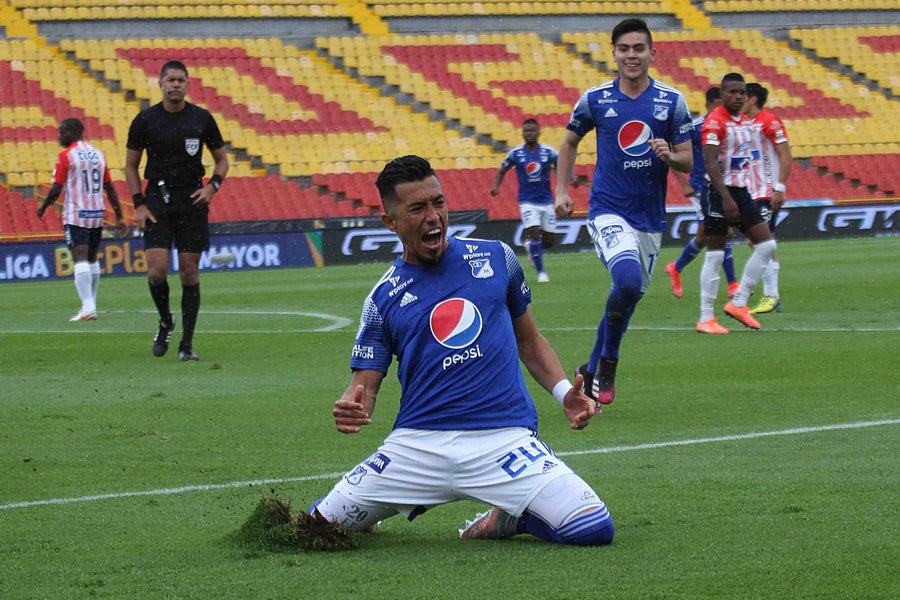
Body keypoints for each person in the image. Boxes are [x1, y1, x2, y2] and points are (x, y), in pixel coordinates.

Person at [309, 155, 614, 547]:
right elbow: (363, 388)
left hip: (503, 439)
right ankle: (367, 510)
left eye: (438, 202)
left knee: (592, 527)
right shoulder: (382, 298)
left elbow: (530, 341)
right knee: (316, 528)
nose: (433, 216)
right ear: (391, 222)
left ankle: (509, 518)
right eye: (417, 208)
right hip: (417, 447)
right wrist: (354, 407)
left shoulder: (497, 258)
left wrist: (564, 394)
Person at [554, 17, 693, 403]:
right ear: (614, 54)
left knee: (628, 295)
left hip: (649, 218)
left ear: (652, 53)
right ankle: (610, 361)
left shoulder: (672, 101)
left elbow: (687, 159)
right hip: (607, 210)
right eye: (624, 49)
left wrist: (670, 155)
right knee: (628, 281)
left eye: (639, 49)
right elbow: (569, 142)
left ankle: (591, 368)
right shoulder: (595, 99)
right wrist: (561, 190)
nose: (632, 55)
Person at [125, 59, 229, 362]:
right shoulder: (145, 120)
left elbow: (222, 160)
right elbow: (130, 165)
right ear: (160, 84)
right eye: (170, 80)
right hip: (157, 200)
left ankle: (186, 344)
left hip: (192, 200)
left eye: (180, 80)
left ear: (187, 84)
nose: (175, 85)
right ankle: (165, 321)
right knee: (156, 271)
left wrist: (212, 187)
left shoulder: (202, 119)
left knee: (189, 271)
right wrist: (138, 203)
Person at [699, 73, 777, 333]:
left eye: (742, 92)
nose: (738, 97)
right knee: (715, 253)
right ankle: (705, 317)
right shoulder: (714, 122)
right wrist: (725, 197)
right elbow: (710, 163)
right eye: (732, 92)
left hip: (741, 193)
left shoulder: (744, 122)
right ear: (722, 95)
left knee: (766, 245)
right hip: (719, 193)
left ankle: (739, 302)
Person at [37, 118, 128, 321]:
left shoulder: (66, 155)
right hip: (96, 213)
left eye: (62, 132)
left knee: (80, 258)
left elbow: (57, 187)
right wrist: (120, 215)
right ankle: (90, 304)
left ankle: (88, 306)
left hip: (76, 214)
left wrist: (43, 206)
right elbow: (109, 187)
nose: (59, 137)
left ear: (72, 132)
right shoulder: (98, 154)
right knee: (92, 258)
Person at [664, 86, 740, 311]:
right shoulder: (696, 127)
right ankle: (733, 284)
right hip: (700, 188)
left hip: (722, 186)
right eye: (717, 106)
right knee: (723, 232)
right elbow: (672, 151)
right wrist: (683, 183)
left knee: (703, 236)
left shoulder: (728, 126)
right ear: (708, 105)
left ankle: (676, 268)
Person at [491, 118, 587, 283]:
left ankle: (531, 247)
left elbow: (562, 166)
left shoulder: (548, 152)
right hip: (527, 202)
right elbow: (502, 171)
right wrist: (496, 187)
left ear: (538, 133)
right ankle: (542, 273)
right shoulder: (516, 153)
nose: (529, 134)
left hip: (546, 201)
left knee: (549, 241)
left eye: (532, 131)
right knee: (535, 233)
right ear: (522, 134)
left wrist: (572, 178)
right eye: (526, 131)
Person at [745, 82, 792, 315]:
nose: (738, 100)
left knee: (762, 241)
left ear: (753, 99)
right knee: (757, 241)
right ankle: (773, 296)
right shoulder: (744, 124)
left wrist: (779, 188)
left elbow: (785, 155)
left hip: (767, 191)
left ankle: (771, 296)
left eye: (742, 95)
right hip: (751, 192)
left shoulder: (769, 121)